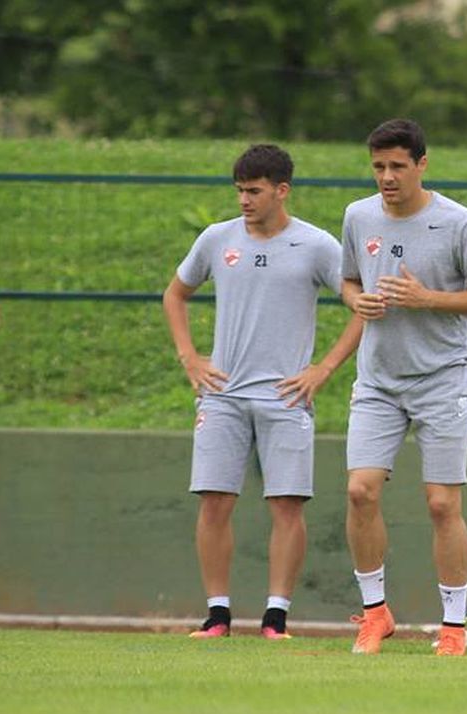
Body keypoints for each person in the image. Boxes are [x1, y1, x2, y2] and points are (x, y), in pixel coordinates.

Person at [163, 144, 362, 641]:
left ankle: (276, 618)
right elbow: (175, 293)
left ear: (281, 190)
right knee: (214, 501)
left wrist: (324, 368)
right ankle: (217, 615)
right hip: (223, 395)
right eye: (239, 191)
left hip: (286, 397)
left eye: (254, 191)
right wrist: (190, 357)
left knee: (287, 505)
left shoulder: (316, 245)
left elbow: (362, 305)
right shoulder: (216, 239)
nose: (245, 200)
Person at [340, 119, 467, 656]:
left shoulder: (457, 222)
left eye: (397, 167)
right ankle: (375, 613)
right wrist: (354, 301)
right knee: (360, 490)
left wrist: (427, 298)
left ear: (421, 164)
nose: (387, 177)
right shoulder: (357, 216)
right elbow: (348, 278)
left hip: (442, 379)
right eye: (378, 167)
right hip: (378, 381)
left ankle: (454, 626)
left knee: (440, 505)